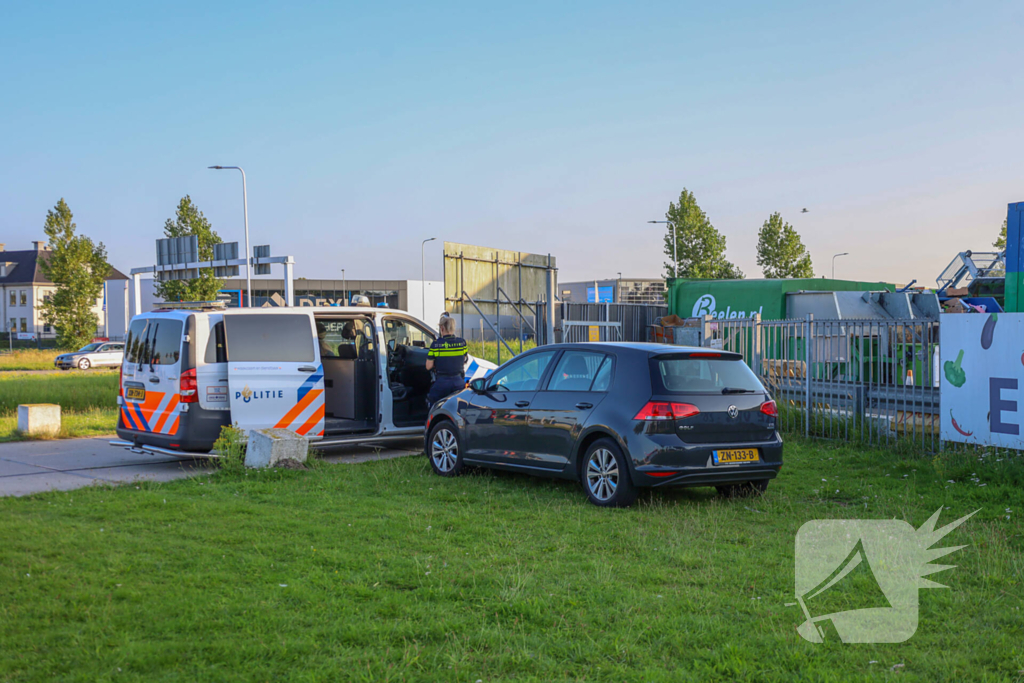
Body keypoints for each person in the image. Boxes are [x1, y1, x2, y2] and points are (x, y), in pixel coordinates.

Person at [425, 313, 467, 405]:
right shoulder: (462, 343)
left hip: (442, 383)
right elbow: (463, 359)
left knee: (435, 406)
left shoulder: (436, 344)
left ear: (442, 328)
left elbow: (428, 366)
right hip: (458, 382)